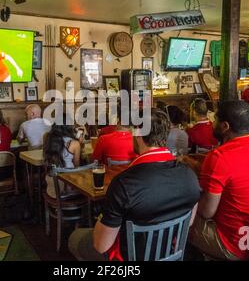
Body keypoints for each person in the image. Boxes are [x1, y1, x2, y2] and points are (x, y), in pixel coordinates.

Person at [68, 110, 200, 261]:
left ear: (137, 135)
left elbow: (101, 245)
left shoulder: (123, 184)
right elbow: (188, 222)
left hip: (128, 257)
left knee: (74, 238)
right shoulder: (190, 176)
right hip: (170, 253)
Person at [189, 101, 249, 260]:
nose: (212, 124)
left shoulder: (219, 157)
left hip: (236, 245)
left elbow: (206, 211)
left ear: (225, 126)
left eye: (215, 120)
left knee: (182, 222)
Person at [43, 115, 83, 198]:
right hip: (68, 189)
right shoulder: (74, 143)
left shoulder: (47, 138)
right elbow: (77, 166)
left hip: (51, 188)